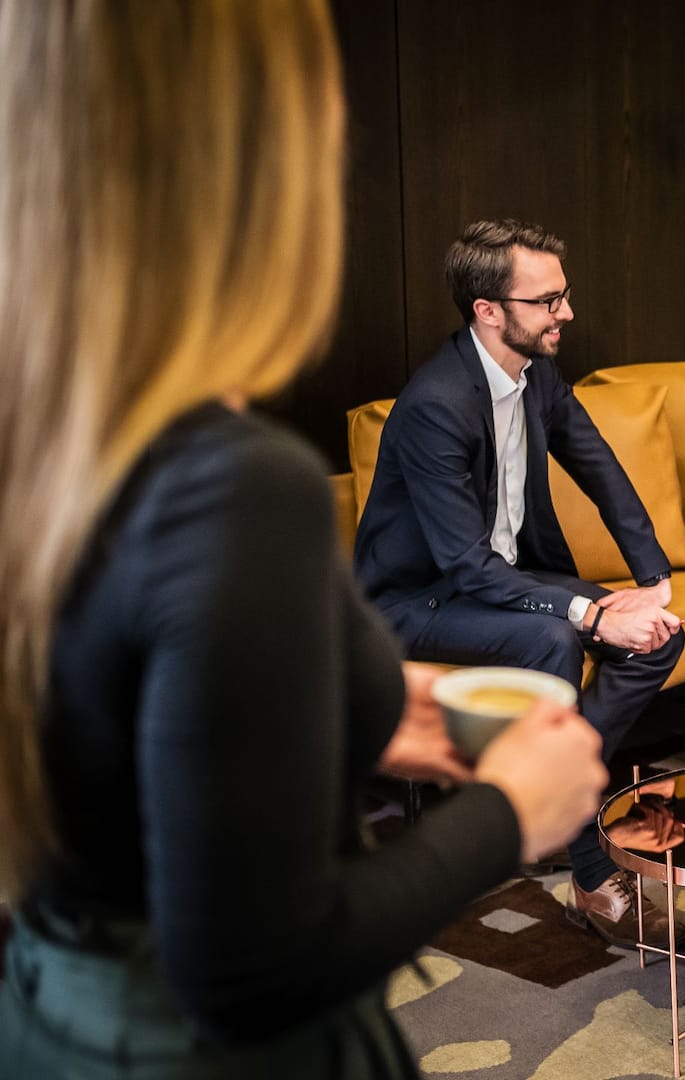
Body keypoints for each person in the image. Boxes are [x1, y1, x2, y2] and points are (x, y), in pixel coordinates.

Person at [0, 3, 607, 1075]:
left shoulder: (47, 439)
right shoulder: (236, 486)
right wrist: (512, 814)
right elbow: (253, 973)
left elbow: (114, 727)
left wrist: (347, 711)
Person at [353, 220, 685, 950]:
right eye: (547, 301)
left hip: (501, 577)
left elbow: (599, 467)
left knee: (663, 634)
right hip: (418, 599)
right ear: (488, 310)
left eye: (563, 296)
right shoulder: (436, 404)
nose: (567, 313)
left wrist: (654, 579)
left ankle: (548, 788)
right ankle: (593, 874)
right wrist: (589, 613)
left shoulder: (538, 376)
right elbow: (465, 565)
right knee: (553, 637)